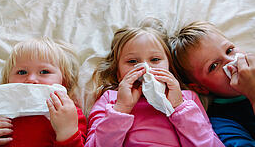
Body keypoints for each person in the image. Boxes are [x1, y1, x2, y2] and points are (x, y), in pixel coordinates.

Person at [84, 20, 224, 146]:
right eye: (132, 61)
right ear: (118, 73)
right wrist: (121, 109)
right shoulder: (110, 100)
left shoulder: (187, 99)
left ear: (169, 66)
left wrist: (179, 107)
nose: (146, 68)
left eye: (155, 59)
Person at [0, 37, 87, 147]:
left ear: (64, 81)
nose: (31, 79)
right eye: (21, 72)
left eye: (44, 72)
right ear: (7, 81)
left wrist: (67, 131)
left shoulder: (69, 112)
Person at [169, 21, 255, 146]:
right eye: (213, 66)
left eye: (229, 50)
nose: (232, 61)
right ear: (200, 87)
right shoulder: (222, 122)